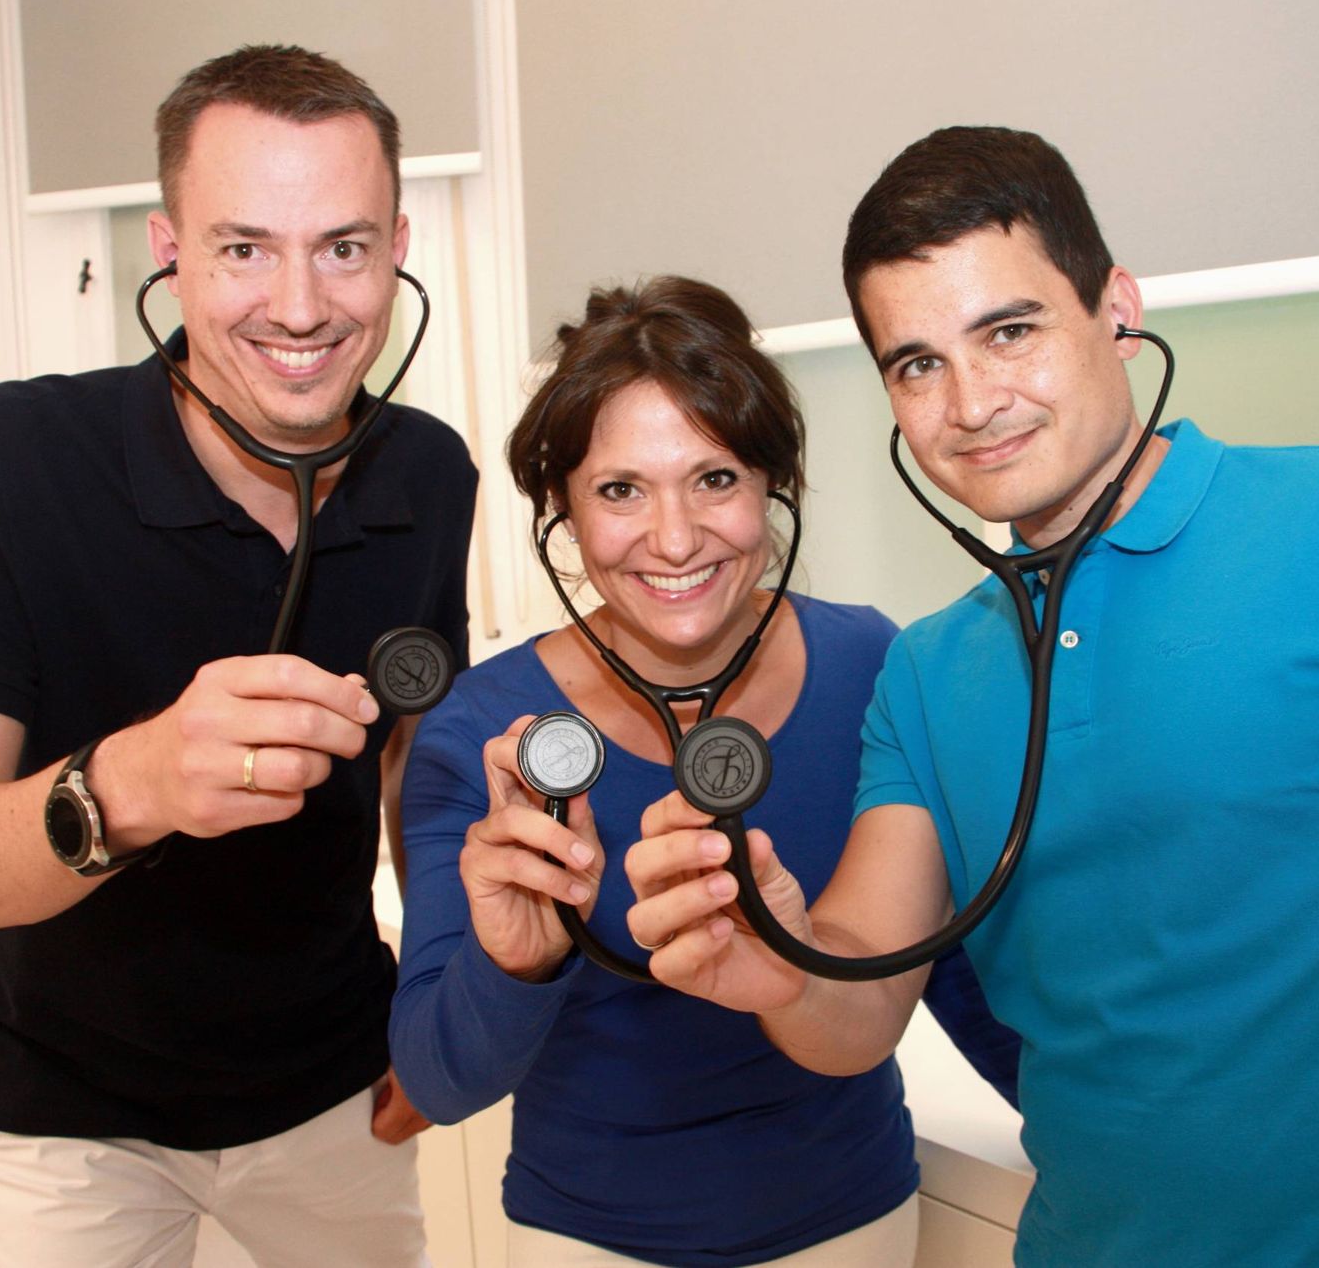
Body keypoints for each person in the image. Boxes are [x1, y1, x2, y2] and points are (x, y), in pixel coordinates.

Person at [623, 127, 1319, 1266]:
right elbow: (861, 1009)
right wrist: (774, 958)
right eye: (917, 363)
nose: (971, 402)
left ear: (1116, 309)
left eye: (1010, 331)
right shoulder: (927, 674)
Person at [0, 46, 472, 1266]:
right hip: (69, 1110)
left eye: (345, 247)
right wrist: (131, 785)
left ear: (399, 244)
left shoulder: (428, 472)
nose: (302, 306)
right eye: (245, 247)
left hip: (334, 1081)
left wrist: (437, 1008)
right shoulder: (6, 461)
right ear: (169, 248)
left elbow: (419, 765)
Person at [388, 275, 1020, 1267]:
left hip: (855, 1225)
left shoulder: (870, 666)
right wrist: (515, 957)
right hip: (589, 1242)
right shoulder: (482, 730)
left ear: (774, 483)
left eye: (715, 478)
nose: (674, 538)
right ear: (562, 507)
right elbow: (440, 1077)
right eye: (620, 490)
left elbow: (951, 963)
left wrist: (1122, 1140)